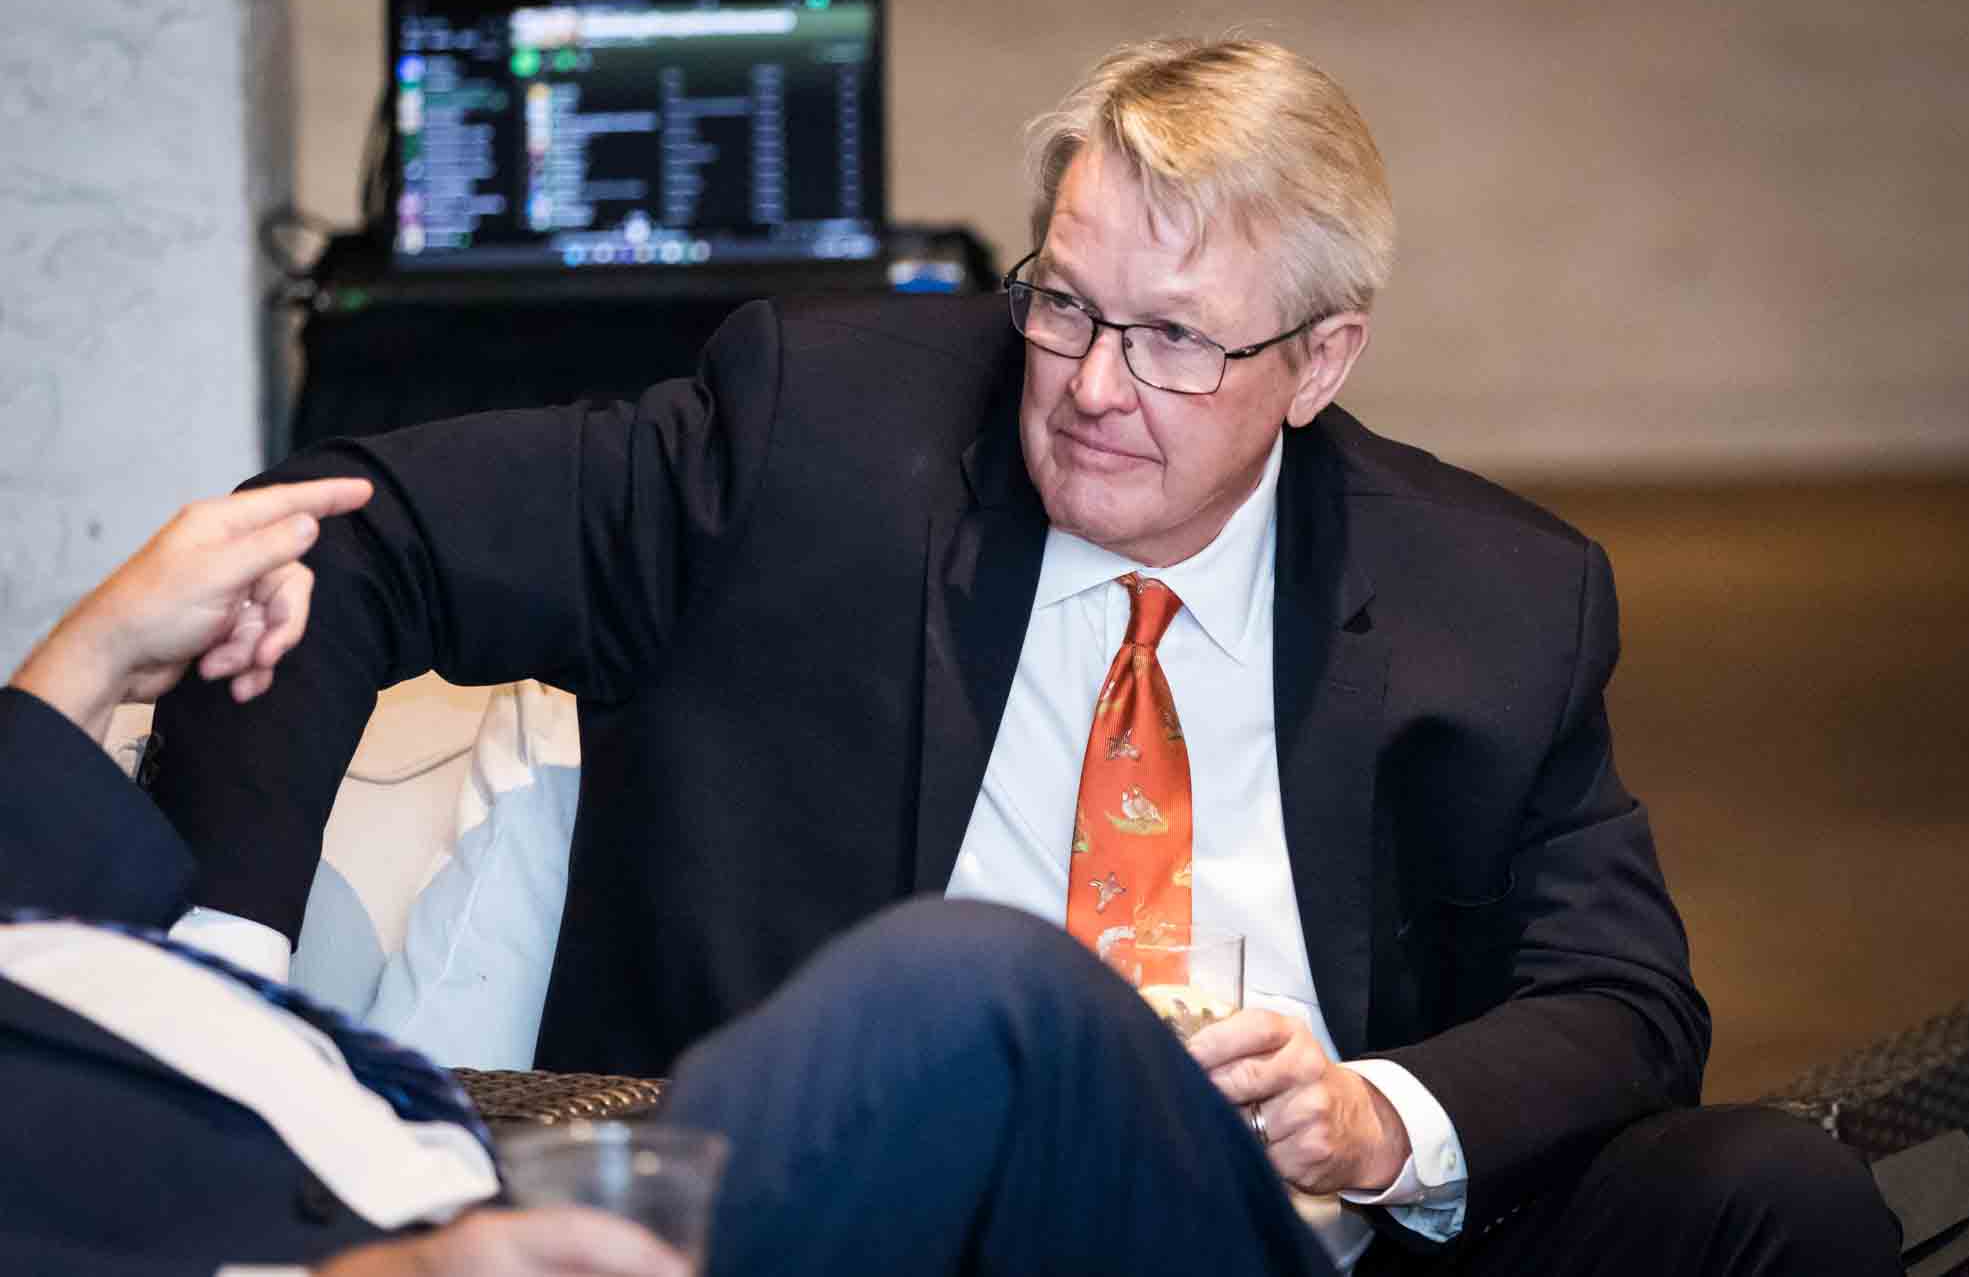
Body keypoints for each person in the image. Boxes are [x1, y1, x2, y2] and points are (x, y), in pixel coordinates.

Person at [146, 39, 1902, 1272]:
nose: (1088, 381)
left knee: (1782, 1198)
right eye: (1062, 300)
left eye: (1169, 338)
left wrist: (1377, 1118)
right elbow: (346, 526)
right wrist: (207, 987)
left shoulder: (1496, 595)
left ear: (1324, 358)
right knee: (984, 991)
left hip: (1283, 1240)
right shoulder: (818, 441)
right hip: (908, 1230)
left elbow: (1627, 999)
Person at [0, 480, 1344, 1277]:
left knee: (976, 1032)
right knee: (968, 991)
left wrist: (90, 651)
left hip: (463, 1177)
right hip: (379, 1247)